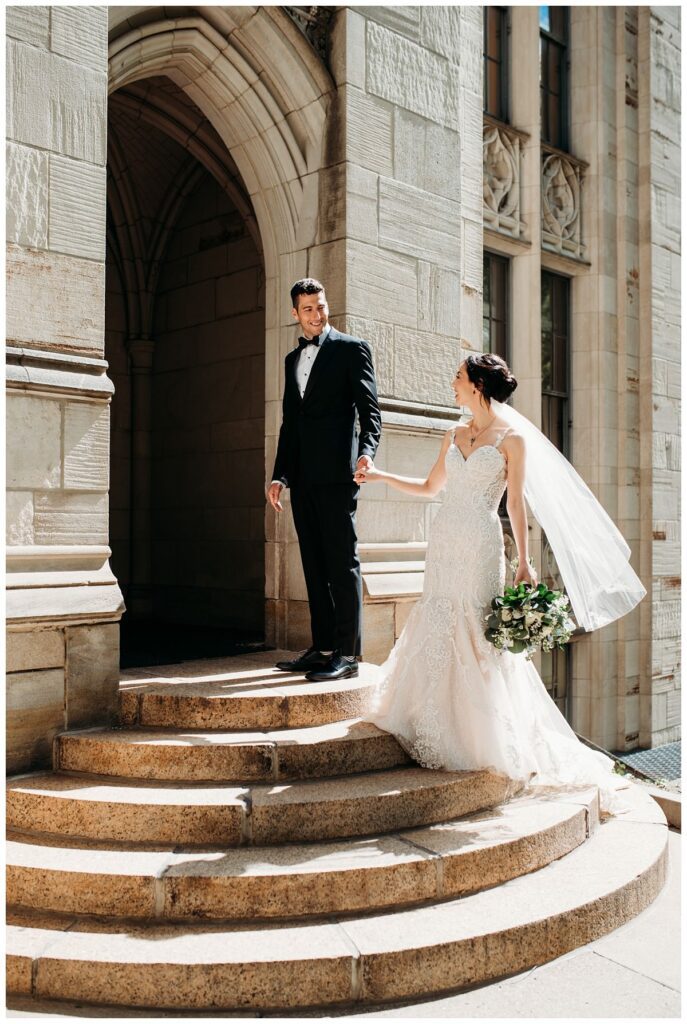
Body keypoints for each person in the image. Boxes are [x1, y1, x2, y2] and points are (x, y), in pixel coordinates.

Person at [355, 352, 646, 817]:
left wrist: (525, 562)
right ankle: (428, 715)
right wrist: (381, 476)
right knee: (439, 615)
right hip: (446, 537)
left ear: (476, 385)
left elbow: (515, 506)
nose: (452, 383)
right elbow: (432, 488)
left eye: (457, 376)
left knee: (474, 627)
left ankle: (481, 730)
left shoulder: (512, 440)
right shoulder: (453, 432)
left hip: (482, 543)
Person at [267, 278, 381, 681]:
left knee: (342, 563)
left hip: (338, 474)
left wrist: (367, 452)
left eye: (321, 306)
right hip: (303, 477)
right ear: (295, 314)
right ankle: (324, 647)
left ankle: (348, 655)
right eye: (308, 309)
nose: (317, 315)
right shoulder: (289, 360)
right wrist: (280, 474)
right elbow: (290, 423)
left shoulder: (351, 350)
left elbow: (371, 412)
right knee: (314, 565)